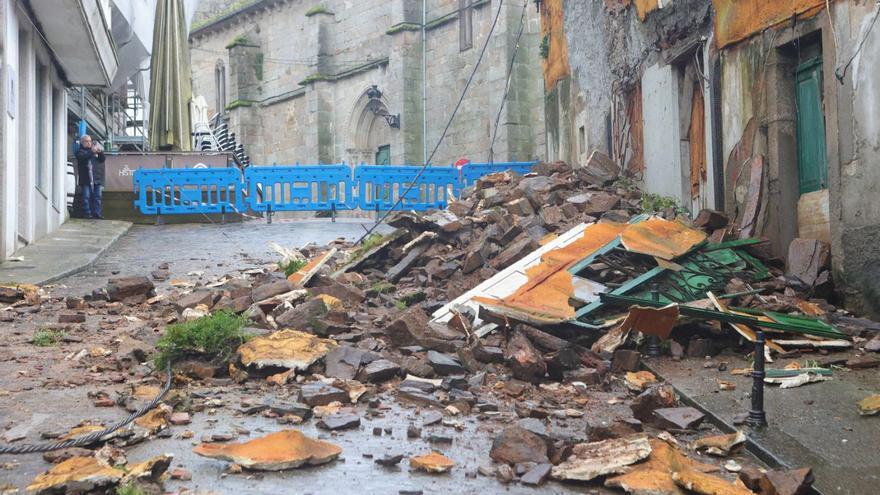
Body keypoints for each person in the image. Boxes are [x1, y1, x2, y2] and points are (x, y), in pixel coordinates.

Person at [75, 135, 106, 219]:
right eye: (86, 141)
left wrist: (100, 152)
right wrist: (92, 152)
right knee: (86, 197)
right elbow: (83, 157)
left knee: (98, 197)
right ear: (82, 142)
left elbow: (102, 159)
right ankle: (87, 213)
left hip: (97, 178)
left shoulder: (94, 151)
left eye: (90, 141)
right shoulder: (79, 152)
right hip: (86, 179)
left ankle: (97, 213)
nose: (89, 143)